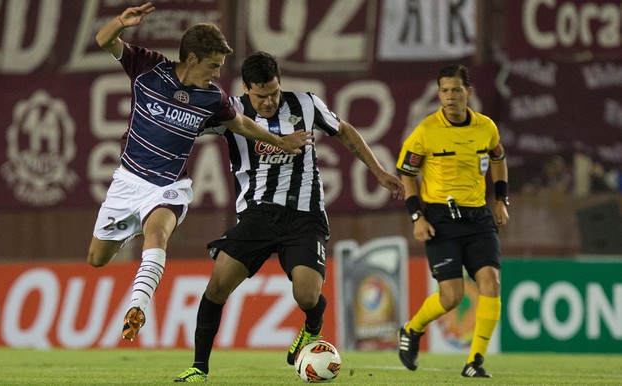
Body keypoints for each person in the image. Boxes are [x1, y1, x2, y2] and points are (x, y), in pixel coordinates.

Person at [174, 51, 405, 382]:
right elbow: (186, 130)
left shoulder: (306, 105)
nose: (268, 102)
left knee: (306, 295)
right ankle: (199, 368)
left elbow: (345, 131)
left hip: (303, 216)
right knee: (217, 287)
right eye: (260, 95)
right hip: (256, 216)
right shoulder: (232, 111)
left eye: (273, 93)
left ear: (280, 83)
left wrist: (380, 172)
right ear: (246, 88)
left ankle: (313, 323)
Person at [87, 3, 311, 342]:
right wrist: (121, 22)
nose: (218, 73)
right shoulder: (148, 68)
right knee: (96, 259)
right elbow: (104, 41)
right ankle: (136, 228)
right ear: (191, 59)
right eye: (213, 65)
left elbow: (242, 125)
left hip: (168, 187)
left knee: (158, 235)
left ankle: (137, 307)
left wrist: (279, 141)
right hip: (127, 181)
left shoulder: (211, 98)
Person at [395, 64, 509, 378]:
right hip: (440, 219)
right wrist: (417, 217)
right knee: (452, 297)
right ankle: (412, 329)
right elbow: (406, 173)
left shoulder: (486, 127)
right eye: (444, 90)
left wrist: (501, 200)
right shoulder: (426, 130)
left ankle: (474, 361)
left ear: (468, 92)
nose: (449, 96)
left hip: (477, 217)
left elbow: (499, 160)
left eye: (456, 90)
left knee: (491, 282)